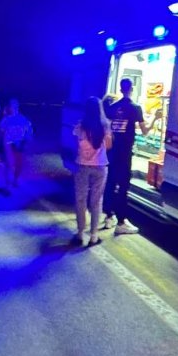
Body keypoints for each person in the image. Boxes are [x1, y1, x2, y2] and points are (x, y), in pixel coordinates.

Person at [104, 77, 162, 234]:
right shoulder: (135, 108)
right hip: (125, 153)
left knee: (110, 182)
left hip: (112, 151)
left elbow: (108, 129)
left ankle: (108, 216)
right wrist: (156, 118)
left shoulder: (112, 107)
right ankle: (121, 222)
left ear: (120, 89)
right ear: (132, 89)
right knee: (123, 186)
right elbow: (145, 131)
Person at [72, 97, 112, 247]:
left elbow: (75, 144)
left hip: (82, 165)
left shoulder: (80, 126)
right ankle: (94, 235)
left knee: (80, 199)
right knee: (96, 201)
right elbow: (109, 146)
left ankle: (80, 233)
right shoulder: (106, 125)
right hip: (100, 166)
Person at [0, 99, 33, 191]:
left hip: (19, 144)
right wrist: (1, 144)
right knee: (9, 163)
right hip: (8, 144)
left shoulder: (23, 119)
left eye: (14, 106)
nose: (12, 108)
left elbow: (29, 131)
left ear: (17, 106)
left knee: (19, 164)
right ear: (9, 107)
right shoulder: (5, 119)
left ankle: (15, 179)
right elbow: (1, 132)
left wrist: (26, 141)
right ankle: (7, 185)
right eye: (11, 106)